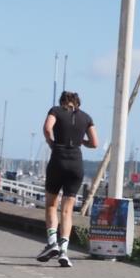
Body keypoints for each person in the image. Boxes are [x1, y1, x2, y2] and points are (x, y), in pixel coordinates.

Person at [36, 91, 97, 267]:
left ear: (62, 102)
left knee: (51, 205)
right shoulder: (86, 118)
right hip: (76, 164)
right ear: (78, 103)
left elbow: (47, 128)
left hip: (58, 160)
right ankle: (63, 251)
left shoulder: (55, 111)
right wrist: (80, 141)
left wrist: (51, 142)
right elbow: (94, 143)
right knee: (67, 211)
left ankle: (52, 242)